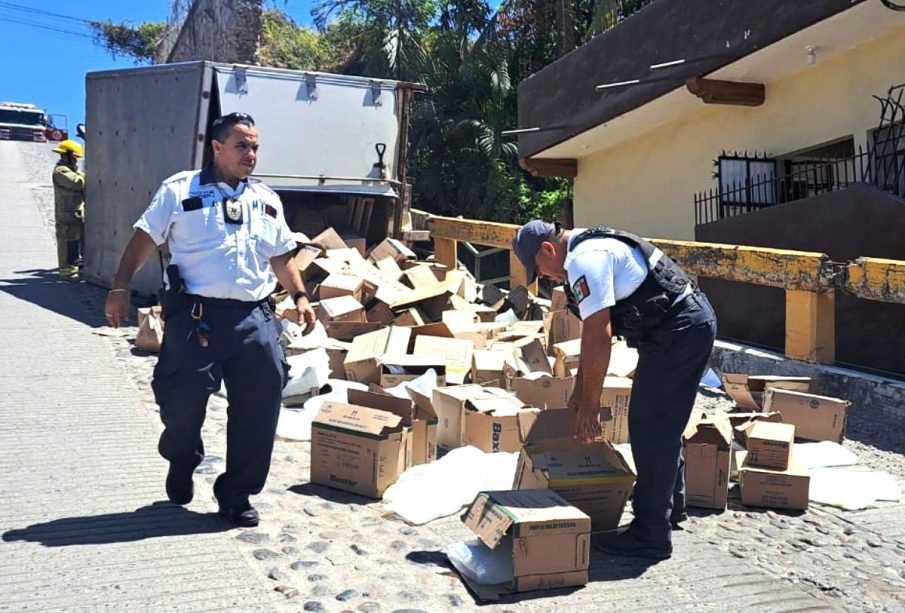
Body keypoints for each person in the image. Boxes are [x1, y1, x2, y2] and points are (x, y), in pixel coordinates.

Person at [104, 112, 317, 527]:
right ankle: (182, 459)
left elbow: (280, 256)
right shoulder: (180, 189)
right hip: (196, 318)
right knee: (180, 403)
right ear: (216, 147)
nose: (251, 154)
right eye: (241, 146)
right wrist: (119, 287)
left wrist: (300, 295)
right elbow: (145, 239)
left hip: (254, 318)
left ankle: (236, 494)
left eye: (255, 146)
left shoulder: (267, 200)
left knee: (259, 408)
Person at [513, 220, 716, 560]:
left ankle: (650, 535)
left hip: (679, 330)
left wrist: (590, 407)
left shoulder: (584, 260)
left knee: (650, 426)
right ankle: (670, 507)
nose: (546, 277)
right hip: (680, 326)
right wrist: (580, 392)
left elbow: (598, 335)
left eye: (539, 270)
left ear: (548, 250)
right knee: (661, 421)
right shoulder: (587, 247)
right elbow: (593, 337)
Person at [52, 140, 86, 280]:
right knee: (68, 245)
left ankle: (76, 269)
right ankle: (68, 272)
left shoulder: (72, 170)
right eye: (74, 158)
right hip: (66, 216)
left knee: (76, 244)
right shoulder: (61, 171)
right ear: (67, 155)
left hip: (75, 214)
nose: (76, 161)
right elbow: (78, 183)